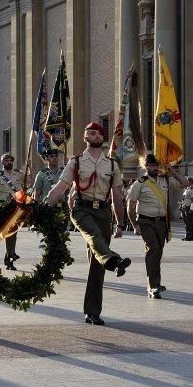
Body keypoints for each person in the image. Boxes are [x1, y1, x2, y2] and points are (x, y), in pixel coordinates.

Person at [46, 122, 131, 326]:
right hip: (81, 209)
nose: (95, 135)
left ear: (103, 138)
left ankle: (92, 312)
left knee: (96, 263)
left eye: (98, 132)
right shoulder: (75, 162)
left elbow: (117, 197)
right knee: (94, 236)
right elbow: (60, 188)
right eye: (90, 132)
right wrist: (42, 206)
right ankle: (114, 260)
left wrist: (120, 223)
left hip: (103, 212)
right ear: (85, 137)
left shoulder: (112, 165)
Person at [126, 154, 187, 299]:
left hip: (162, 223)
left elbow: (184, 183)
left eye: (157, 165)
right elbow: (131, 204)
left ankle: (153, 286)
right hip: (146, 221)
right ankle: (154, 285)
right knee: (153, 249)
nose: (155, 168)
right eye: (152, 165)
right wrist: (135, 225)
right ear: (146, 167)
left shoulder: (165, 179)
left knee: (158, 253)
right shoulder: (139, 183)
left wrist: (171, 169)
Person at [0, 153, 25, 270]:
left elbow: (29, 182)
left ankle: (10, 258)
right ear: (2, 162)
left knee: (12, 232)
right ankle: (9, 256)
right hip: (2, 207)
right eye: (6, 160)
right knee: (7, 232)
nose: (9, 162)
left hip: (15, 207)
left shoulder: (18, 175)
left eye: (11, 160)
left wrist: (28, 168)